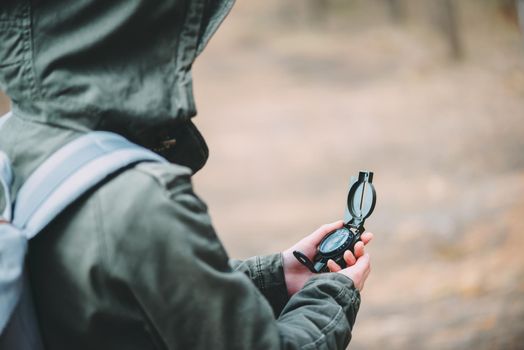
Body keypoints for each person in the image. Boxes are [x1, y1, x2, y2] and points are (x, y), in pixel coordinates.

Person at [0, 1, 372, 349]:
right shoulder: (139, 200)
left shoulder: (10, 143)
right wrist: (332, 294)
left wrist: (275, 276)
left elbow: (120, 295)